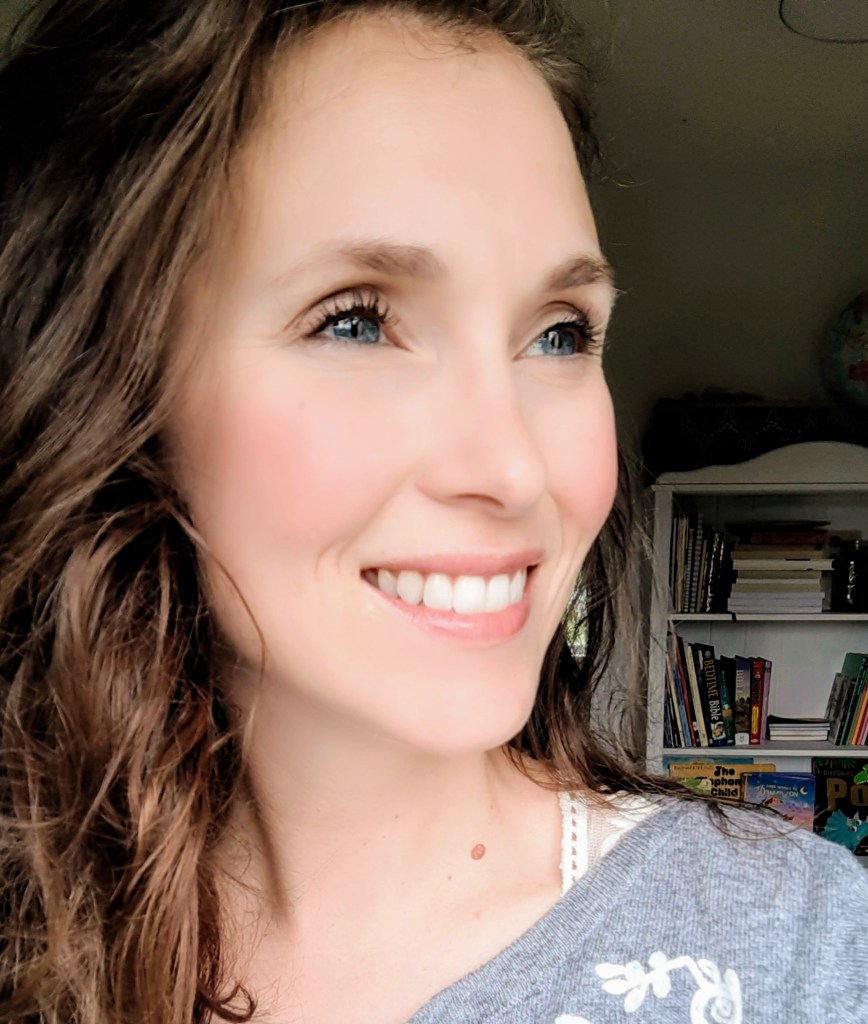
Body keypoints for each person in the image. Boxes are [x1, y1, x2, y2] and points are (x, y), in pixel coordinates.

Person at [0, 2, 866, 1022]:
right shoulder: (31, 928)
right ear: (114, 386)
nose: (513, 469)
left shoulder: (799, 952)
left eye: (559, 332)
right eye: (358, 321)